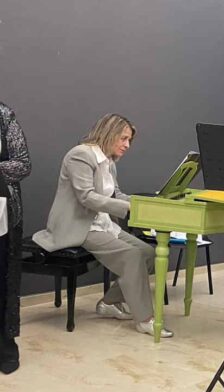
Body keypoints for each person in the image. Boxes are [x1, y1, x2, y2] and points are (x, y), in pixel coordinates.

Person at [33, 114, 172, 338]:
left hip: (101, 224)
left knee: (149, 253)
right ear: (109, 133)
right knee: (132, 256)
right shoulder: (79, 155)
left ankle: (109, 303)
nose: (127, 145)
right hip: (79, 226)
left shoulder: (109, 161)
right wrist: (128, 209)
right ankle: (146, 319)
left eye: (129, 140)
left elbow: (116, 194)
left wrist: (143, 204)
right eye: (124, 138)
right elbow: (86, 197)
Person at [0, 102, 32, 373]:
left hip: (2, 216)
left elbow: (22, 165)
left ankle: (5, 343)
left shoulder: (4, 116)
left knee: (1, 281)